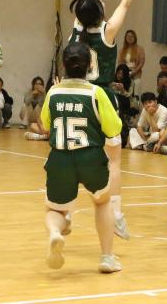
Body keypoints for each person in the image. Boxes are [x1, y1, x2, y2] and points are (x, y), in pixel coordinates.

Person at [68, 0, 155, 240]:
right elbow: (125, 4)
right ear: (100, 12)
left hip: (76, 94)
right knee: (113, 161)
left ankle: (64, 211)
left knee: (71, 155)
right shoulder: (108, 32)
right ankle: (116, 215)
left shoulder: (77, 29)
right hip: (101, 97)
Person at [40, 42, 123, 274]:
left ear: (63, 65)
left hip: (60, 158)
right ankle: (107, 258)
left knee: (55, 210)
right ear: (90, 66)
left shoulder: (53, 92)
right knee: (102, 202)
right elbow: (113, 128)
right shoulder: (96, 93)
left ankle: (55, 233)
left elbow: (45, 124)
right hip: (91, 157)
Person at [117, 30, 145, 96]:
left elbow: (141, 63)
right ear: (125, 38)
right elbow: (120, 63)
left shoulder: (140, 49)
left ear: (135, 38)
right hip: (125, 75)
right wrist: (123, 73)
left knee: (135, 94)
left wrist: (133, 72)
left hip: (136, 75)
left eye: (132, 36)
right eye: (128, 36)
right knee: (125, 94)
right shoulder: (122, 50)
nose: (130, 38)